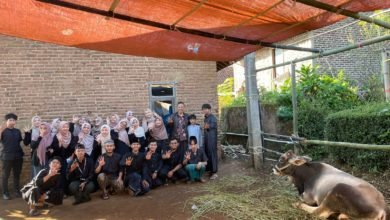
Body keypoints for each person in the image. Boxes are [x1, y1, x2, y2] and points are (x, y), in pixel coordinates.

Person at [0, 113, 24, 200]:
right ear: (6, 121)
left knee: (17, 175)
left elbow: (19, 142)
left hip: (18, 156)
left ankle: (17, 191)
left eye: (13, 120)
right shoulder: (3, 131)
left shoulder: (17, 131)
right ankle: (5, 193)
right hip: (6, 156)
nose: (12, 121)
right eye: (10, 120)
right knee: (5, 175)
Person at [202, 104, 218, 180]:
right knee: (208, 154)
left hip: (212, 139)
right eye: (203, 109)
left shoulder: (213, 117)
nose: (205, 110)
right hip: (207, 139)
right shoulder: (206, 118)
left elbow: (213, 125)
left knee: (212, 154)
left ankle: (214, 172)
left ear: (209, 109)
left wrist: (208, 126)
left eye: (206, 109)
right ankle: (210, 171)